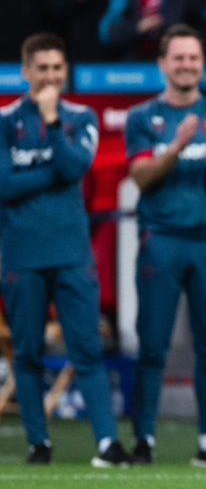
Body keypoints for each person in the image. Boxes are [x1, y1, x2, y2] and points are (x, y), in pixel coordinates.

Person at [0, 34, 131, 467]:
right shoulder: (5, 121)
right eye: (44, 68)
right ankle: (39, 443)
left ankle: (108, 444)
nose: (53, 76)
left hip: (72, 254)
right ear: (26, 72)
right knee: (27, 352)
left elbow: (77, 167)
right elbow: (3, 186)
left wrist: (52, 125)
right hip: (22, 255)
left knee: (87, 349)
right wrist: (53, 172)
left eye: (59, 68)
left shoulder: (80, 116)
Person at [124, 25, 206, 466]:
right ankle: (144, 440)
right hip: (162, 239)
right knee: (152, 343)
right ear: (162, 64)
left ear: (203, 64)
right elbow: (141, 178)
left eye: (194, 58)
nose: (187, 65)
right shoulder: (141, 117)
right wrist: (176, 145)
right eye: (179, 58)